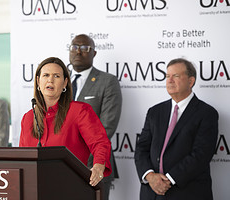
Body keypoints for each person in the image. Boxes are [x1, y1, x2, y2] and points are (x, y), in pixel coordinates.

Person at [19, 57, 112, 187]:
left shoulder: (80, 111)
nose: (50, 80)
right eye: (46, 75)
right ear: (38, 81)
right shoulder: (28, 118)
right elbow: (22, 158)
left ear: (65, 83)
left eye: (56, 76)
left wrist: (98, 166)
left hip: (70, 187)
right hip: (34, 187)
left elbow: (100, 142)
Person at [134, 58, 219, 200]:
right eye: (167, 76)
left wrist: (168, 180)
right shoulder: (154, 111)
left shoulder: (206, 113)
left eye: (176, 76)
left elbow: (201, 155)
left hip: (187, 192)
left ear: (191, 81)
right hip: (152, 193)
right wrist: (150, 176)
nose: (170, 80)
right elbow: (141, 148)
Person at [69, 34, 122, 199]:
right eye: (74, 47)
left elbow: (107, 127)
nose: (78, 52)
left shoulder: (107, 82)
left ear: (94, 53)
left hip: (94, 166)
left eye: (85, 48)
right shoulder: (58, 81)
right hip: (61, 164)